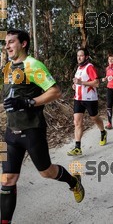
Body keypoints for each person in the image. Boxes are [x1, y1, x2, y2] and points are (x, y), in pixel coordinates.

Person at [1, 29, 85, 224]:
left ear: (23, 43)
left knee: (46, 171)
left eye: (11, 42)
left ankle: (73, 182)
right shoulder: (6, 69)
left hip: (32, 130)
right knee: (6, 180)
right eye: (6, 43)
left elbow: (55, 92)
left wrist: (29, 102)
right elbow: (8, 101)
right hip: (10, 133)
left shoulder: (33, 65)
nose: (7, 46)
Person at [67, 48, 107, 156]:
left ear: (86, 57)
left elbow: (97, 83)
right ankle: (77, 147)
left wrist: (81, 82)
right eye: (77, 56)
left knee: (94, 118)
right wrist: (74, 86)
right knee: (77, 122)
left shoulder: (90, 67)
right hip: (78, 98)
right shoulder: (79, 68)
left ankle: (103, 132)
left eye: (81, 55)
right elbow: (78, 83)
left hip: (90, 98)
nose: (79, 58)